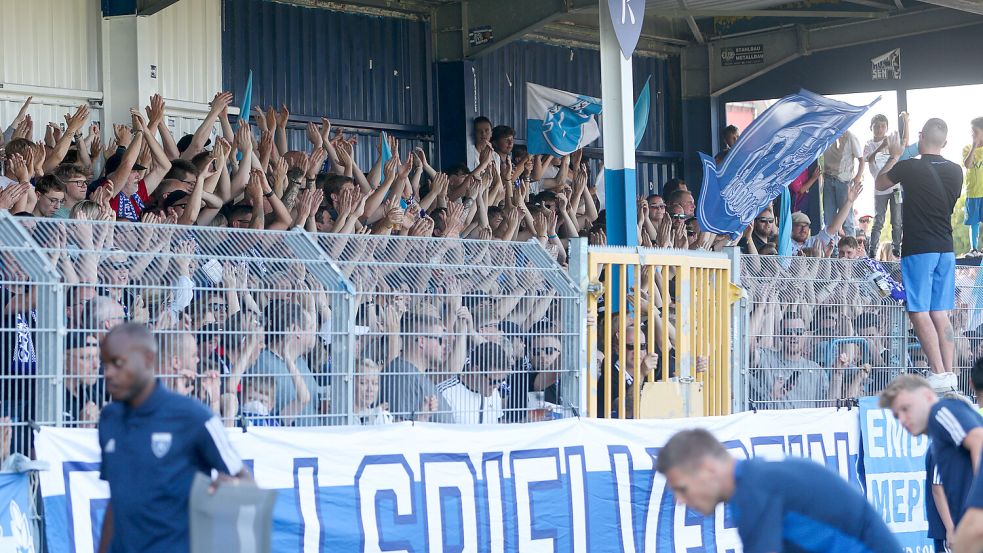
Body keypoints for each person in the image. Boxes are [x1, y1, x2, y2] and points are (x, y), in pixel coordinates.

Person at [96, 323, 248, 553]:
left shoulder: (197, 417)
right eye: (105, 364)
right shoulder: (109, 420)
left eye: (118, 364)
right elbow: (116, 503)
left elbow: (245, 481)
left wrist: (230, 490)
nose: (108, 373)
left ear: (147, 360)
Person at [655, 428, 901, 553]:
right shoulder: (754, 480)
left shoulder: (754, 489)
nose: (679, 500)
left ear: (707, 468)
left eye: (682, 488)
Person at [876, 119, 963, 392]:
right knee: (940, 311)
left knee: (918, 310)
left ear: (920, 136)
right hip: (946, 247)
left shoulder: (909, 165)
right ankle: (948, 373)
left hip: (919, 248)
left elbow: (880, 183)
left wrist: (894, 154)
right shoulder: (956, 171)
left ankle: (937, 371)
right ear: (945, 142)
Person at [879, 374, 983, 538]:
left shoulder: (939, 411)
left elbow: (979, 440)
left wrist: (978, 506)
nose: (903, 420)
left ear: (927, 396)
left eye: (906, 409)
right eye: (897, 415)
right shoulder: (942, 433)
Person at [438, 342, 509, 424]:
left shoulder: (494, 393)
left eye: (501, 380)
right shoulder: (446, 394)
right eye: (492, 381)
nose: (496, 386)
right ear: (475, 370)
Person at [865, 114, 903, 258]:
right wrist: (881, 146)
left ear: (886, 127)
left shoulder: (892, 142)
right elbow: (869, 159)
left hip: (895, 187)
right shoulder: (869, 144)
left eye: (882, 126)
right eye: (876, 126)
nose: (880, 129)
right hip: (879, 189)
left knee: (897, 220)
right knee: (878, 220)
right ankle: (872, 250)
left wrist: (905, 121)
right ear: (871, 127)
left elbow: (903, 146)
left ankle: (896, 247)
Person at [822, 130, 864, 238]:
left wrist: (857, 177)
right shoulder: (826, 134)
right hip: (828, 178)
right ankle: (832, 251)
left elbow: (861, 160)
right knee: (828, 218)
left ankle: (851, 249)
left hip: (843, 181)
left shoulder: (850, 136)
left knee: (846, 219)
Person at [964, 117, 983, 253]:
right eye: (971, 132)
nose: (973, 134)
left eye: (975, 132)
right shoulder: (967, 148)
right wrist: (974, 146)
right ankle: (974, 248)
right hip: (973, 193)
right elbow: (967, 164)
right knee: (974, 222)